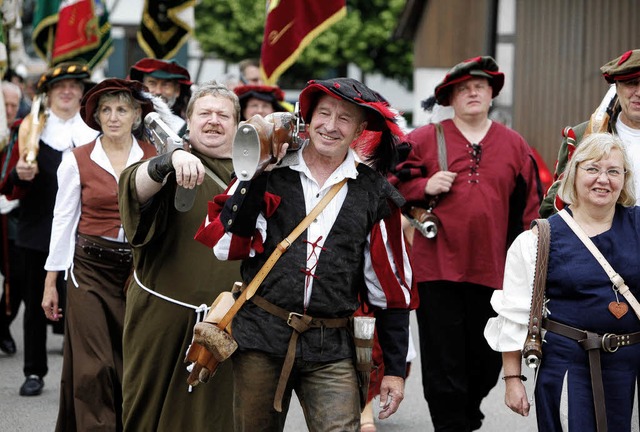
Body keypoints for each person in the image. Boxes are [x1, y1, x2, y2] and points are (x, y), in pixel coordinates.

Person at [194, 77, 417, 431]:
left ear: (359, 129)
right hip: (260, 339)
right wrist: (258, 175)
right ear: (307, 119)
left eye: (344, 118)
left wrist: (393, 370)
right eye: (323, 114)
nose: (330, 126)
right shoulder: (267, 172)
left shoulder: (376, 195)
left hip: (332, 348)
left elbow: (390, 291)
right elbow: (225, 246)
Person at [392, 56, 542, 431]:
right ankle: (451, 424)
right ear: (449, 98)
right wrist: (422, 187)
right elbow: (388, 184)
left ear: (492, 93)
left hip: (494, 270)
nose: (472, 91)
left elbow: (531, 211)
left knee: (486, 359)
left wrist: (533, 268)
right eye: (462, 88)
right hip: (436, 268)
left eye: (480, 86)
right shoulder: (425, 139)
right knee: (443, 359)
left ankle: (466, 415)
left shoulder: (515, 145)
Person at [485, 132, 640, 431]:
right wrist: (513, 380)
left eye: (613, 171)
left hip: (632, 369)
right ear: (573, 174)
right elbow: (515, 314)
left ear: (624, 178)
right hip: (568, 366)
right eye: (592, 169)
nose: (603, 179)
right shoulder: (538, 240)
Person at [118, 81, 241, 431]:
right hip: (162, 323)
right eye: (204, 113)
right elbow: (134, 186)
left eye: (223, 115)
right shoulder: (172, 167)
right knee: (146, 414)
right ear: (189, 121)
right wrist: (166, 161)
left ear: (236, 125)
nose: (213, 121)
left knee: (215, 419)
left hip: (224, 329)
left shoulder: (253, 178)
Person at [41, 78, 157, 431]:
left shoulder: (155, 157)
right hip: (89, 268)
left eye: (122, 109)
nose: (114, 117)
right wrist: (51, 283)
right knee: (94, 366)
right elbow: (63, 221)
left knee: (130, 362)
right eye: (105, 110)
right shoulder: (76, 160)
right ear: (95, 116)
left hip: (139, 270)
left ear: (137, 114)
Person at [1, 61, 99, 396]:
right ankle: (34, 372)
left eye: (73, 85)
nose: (67, 91)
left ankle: (82, 372)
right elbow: (7, 186)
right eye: (60, 87)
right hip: (37, 231)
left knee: (84, 307)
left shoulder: (96, 133)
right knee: (33, 305)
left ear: (82, 92)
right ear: (49, 93)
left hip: (85, 234)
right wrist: (19, 176)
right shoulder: (31, 129)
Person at [540, 48, 640, 217]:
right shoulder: (581, 137)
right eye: (631, 83)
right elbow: (557, 205)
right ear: (616, 87)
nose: (638, 93)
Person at [0, 81, 26, 355]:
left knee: (16, 276)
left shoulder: (23, 130)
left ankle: (3, 323)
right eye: (3, 104)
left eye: (12, 104)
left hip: (11, 211)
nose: (8, 110)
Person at [129, 57, 192, 134]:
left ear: (177, 91)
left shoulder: (185, 129)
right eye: (152, 83)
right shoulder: (128, 122)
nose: (158, 91)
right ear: (142, 87)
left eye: (166, 85)